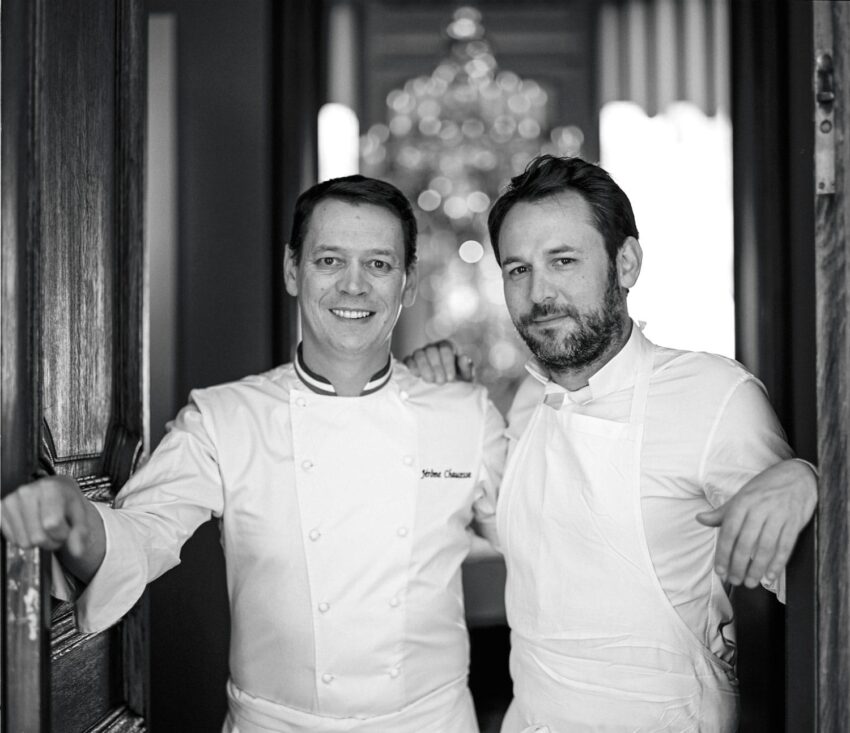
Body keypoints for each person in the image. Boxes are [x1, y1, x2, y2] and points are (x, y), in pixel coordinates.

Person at [0, 175, 507, 733]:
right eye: (329, 260)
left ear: (407, 282)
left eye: (379, 265)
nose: (353, 285)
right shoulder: (224, 419)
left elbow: (542, 542)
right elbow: (141, 534)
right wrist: (72, 516)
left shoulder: (466, 414)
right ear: (292, 270)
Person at [406, 155, 817, 732]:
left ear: (626, 263)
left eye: (563, 261)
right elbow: (503, 527)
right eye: (518, 269)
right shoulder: (527, 402)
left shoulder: (714, 395)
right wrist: (444, 399)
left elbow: (817, 581)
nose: (539, 293)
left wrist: (812, 482)